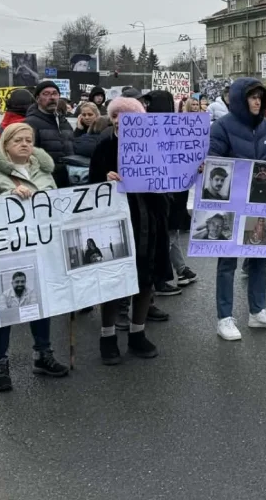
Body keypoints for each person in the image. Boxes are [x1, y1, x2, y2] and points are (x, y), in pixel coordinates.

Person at [0, 122, 69, 390]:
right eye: (18, 141)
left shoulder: (44, 171)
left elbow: (58, 204)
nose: (25, 144)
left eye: (29, 140)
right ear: (5, 146)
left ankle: (43, 353)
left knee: (41, 303)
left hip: (38, 248)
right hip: (7, 252)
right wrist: (9, 198)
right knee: (5, 309)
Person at [207, 78, 266, 339]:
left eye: (259, 97)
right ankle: (224, 318)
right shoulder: (221, 126)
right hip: (231, 204)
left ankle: (257, 312)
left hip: (260, 201)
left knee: (259, 258)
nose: (256, 101)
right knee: (228, 261)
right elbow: (214, 159)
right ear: (241, 99)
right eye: (251, 97)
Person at [88, 97, 165, 361]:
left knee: (146, 278)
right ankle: (107, 337)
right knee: (114, 279)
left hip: (148, 218)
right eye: (116, 115)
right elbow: (90, 186)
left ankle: (137, 334)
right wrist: (104, 179)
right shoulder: (104, 146)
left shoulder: (153, 145)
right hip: (116, 221)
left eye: (127, 115)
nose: (120, 120)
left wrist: (192, 169)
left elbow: (170, 176)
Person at [24, 81, 76, 187]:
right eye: (46, 94)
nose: (52, 97)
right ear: (38, 99)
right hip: (45, 182)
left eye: (55, 93)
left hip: (68, 180)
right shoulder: (30, 123)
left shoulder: (63, 121)